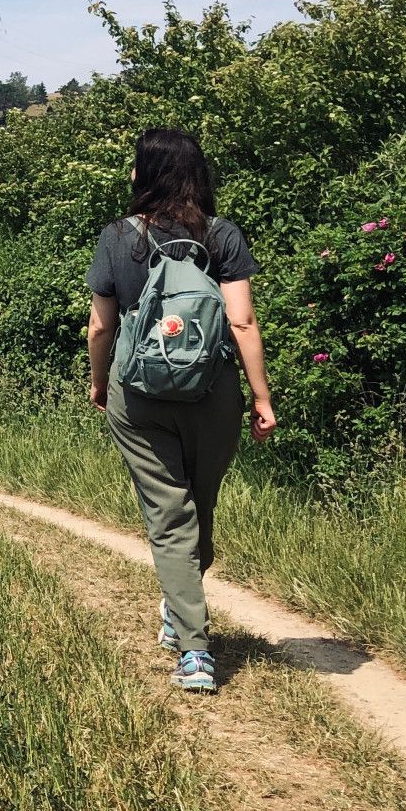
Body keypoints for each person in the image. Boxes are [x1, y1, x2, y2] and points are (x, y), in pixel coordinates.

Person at [85, 127, 275, 694]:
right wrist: (262, 397)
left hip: (139, 394)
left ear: (143, 174)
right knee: (200, 503)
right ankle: (189, 624)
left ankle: (193, 651)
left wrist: (99, 383)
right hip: (212, 393)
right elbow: (241, 323)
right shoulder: (222, 237)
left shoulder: (118, 237)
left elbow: (101, 325)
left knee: (171, 516)